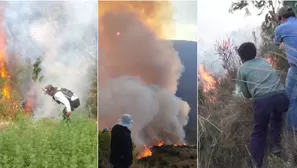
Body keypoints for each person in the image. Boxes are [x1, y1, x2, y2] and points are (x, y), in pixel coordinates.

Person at [236, 42, 289, 168]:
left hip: (264, 101)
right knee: (277, 119)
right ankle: (275, 146)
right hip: (282, 97)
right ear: (254, 53)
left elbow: (246, 94)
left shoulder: (242, 69)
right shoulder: (264, 62)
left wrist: (254, 92)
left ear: (241, 57)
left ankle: (256, 162)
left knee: (259, 131)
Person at [274, 6, 297, 132]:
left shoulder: (280, 28)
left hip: (295, 68)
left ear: (282, 18)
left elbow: (276, 44)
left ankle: (291, 130)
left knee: (290, 97)